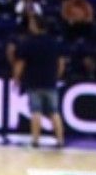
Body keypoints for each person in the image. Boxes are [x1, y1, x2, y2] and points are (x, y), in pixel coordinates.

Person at [11, 14, 65, 147]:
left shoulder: (28, 43)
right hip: (50, 82)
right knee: (54, 112)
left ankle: (35, 140)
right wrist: (56, 76)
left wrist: (16, 78)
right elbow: (61, 63)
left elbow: (20, 63)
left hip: (34, 82)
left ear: (35, 25)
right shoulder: (54, 42)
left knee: (36, 111)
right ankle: (60, 140)